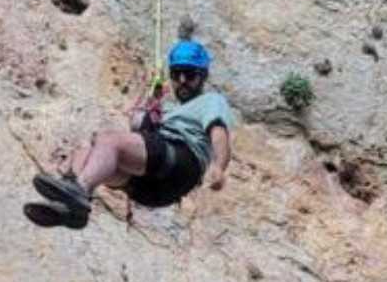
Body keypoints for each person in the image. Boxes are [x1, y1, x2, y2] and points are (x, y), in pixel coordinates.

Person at [25, 37, 234, 229]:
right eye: (176, 74)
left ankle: (79, 190)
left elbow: (218, 132)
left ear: (203, 76)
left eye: (189, 74)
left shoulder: (210, 101)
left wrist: (219, 166)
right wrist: (150, 98)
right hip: (154, 190)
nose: (182, 80)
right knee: (86, 151)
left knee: (108, 141)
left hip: (181, 161)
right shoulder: (169, 110)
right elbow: (137, 129)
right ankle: (70, 208)